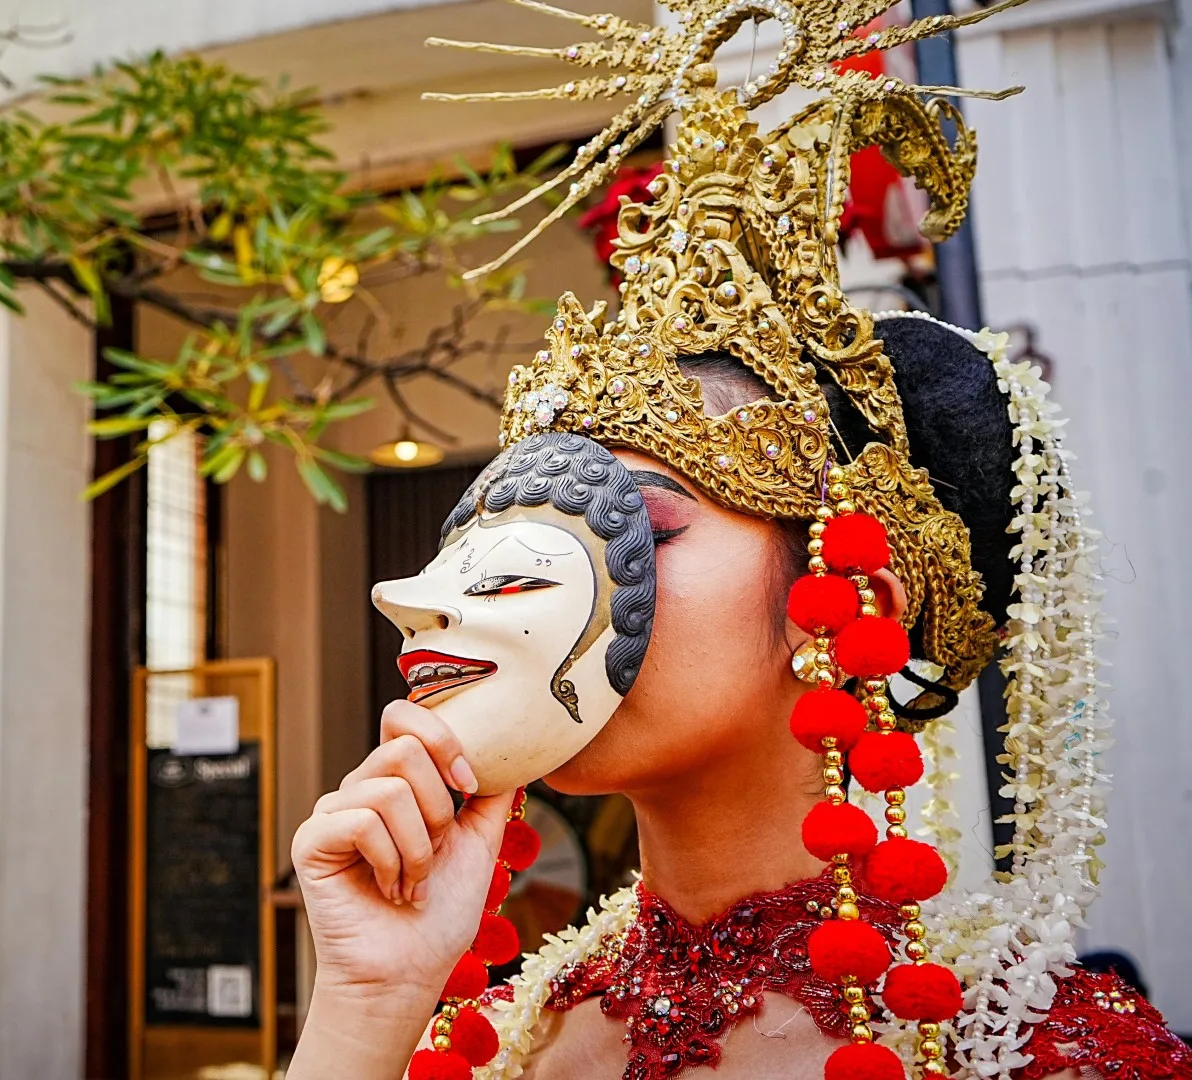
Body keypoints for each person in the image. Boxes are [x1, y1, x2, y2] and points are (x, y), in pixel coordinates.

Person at [284, 2, 1192, 1078]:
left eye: (642, 522)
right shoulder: (504, 1037)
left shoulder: (1028, 1052)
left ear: (851, 602)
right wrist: (366, 1002)